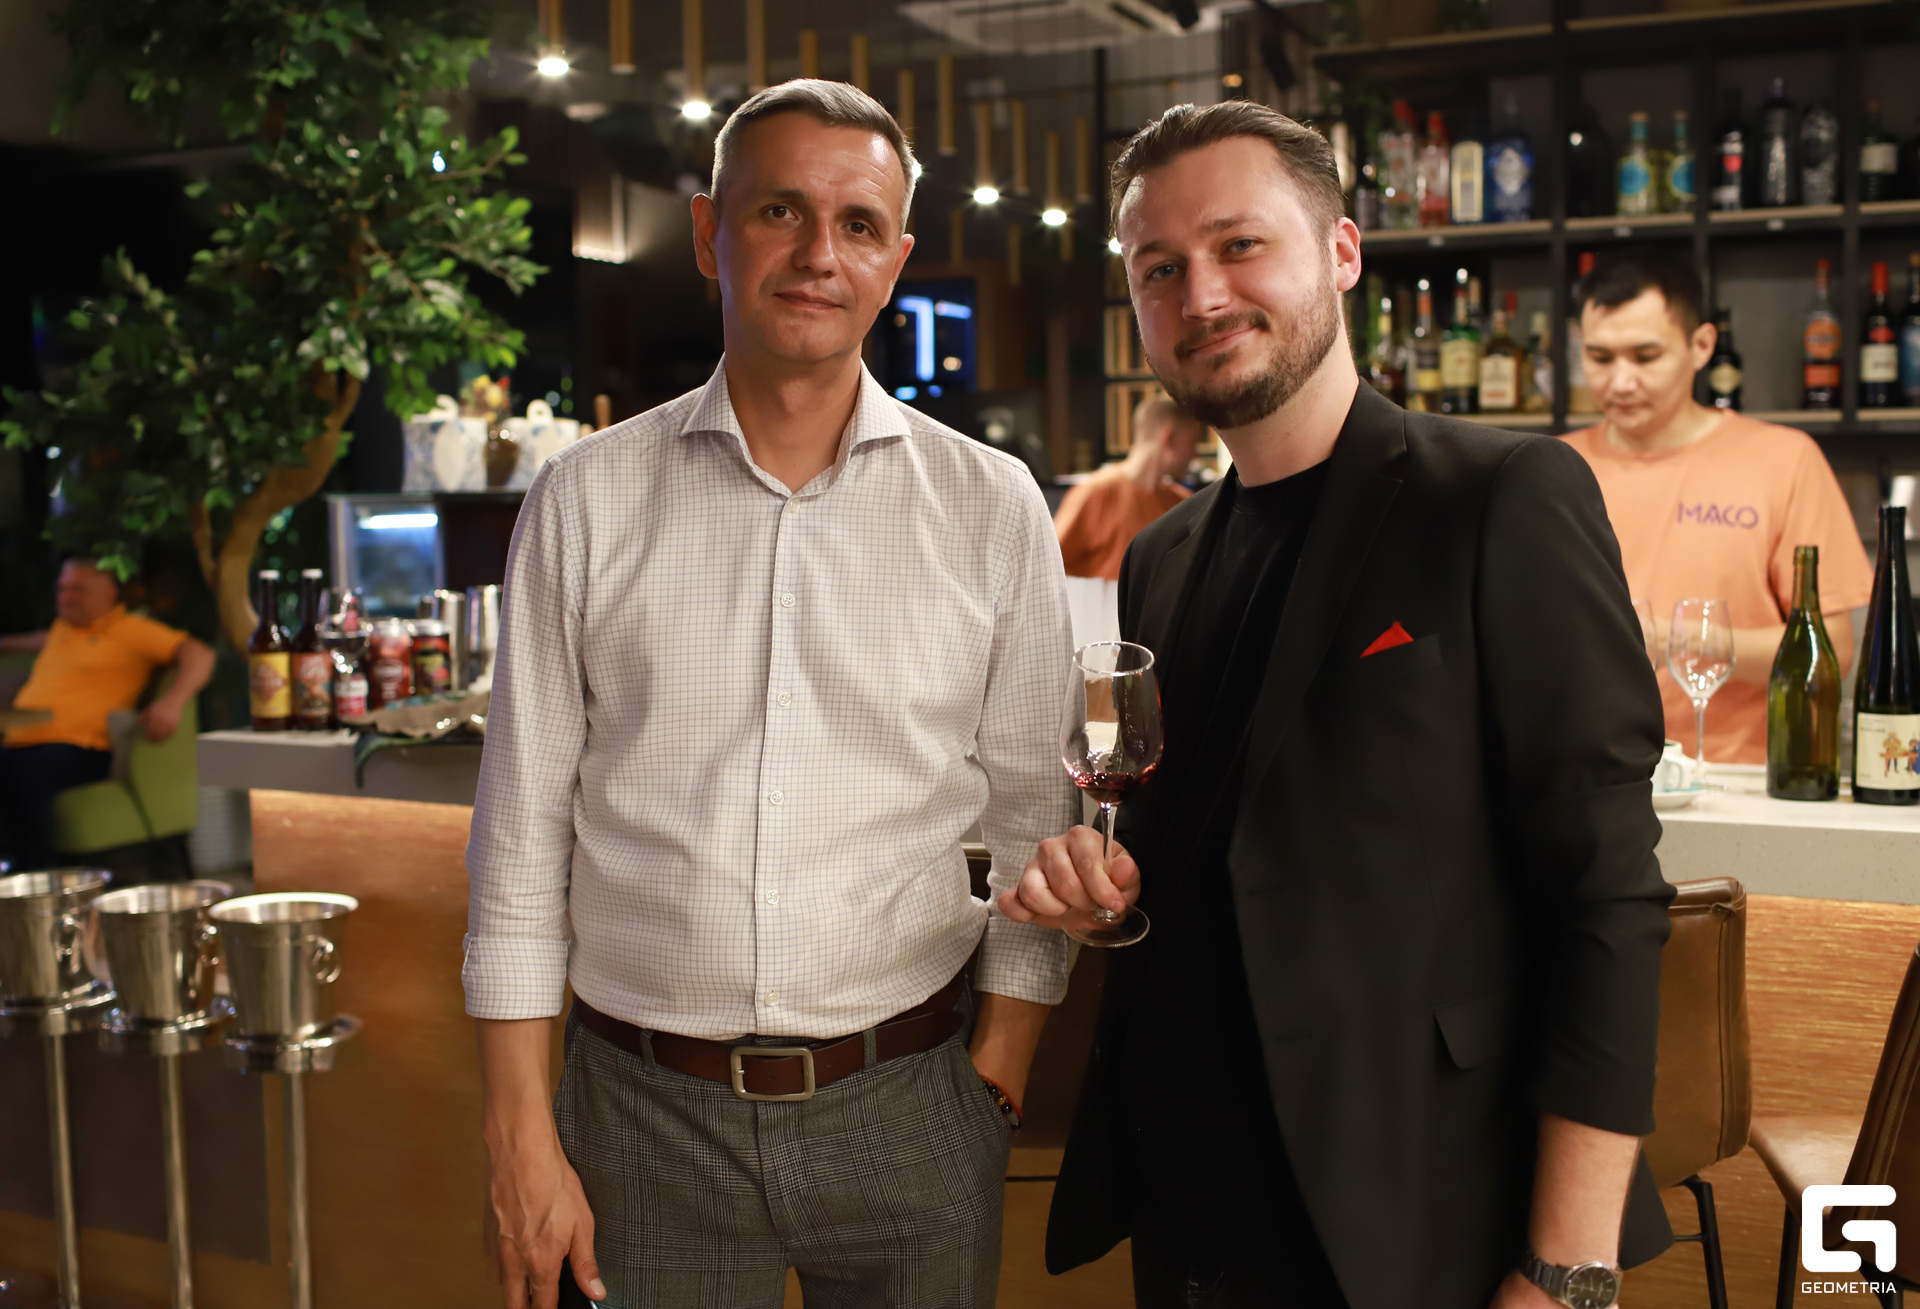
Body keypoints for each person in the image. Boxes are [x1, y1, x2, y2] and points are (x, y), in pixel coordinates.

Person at [1001, 101, 1675, 1309]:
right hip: (1188, 1211)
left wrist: (1567, 1269)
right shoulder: (1164, 556)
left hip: (1407, 1217)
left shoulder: (1502, 497)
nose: (1203, 294)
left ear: (1343, 251)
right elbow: (1200, 847)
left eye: (1239, 245)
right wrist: (1101, 885)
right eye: (1161, 268)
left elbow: (1606, 898)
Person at [464, 80, 1078, 1309]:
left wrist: (1002, 1058)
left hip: (912, 1097)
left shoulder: (992, 503)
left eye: (859, 224)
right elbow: (520, 839)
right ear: (710, 232)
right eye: (780, 211)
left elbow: (1031, 813)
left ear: (895, 260)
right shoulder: (584, 500)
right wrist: (520, 1130)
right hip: (639, 1118)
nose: (818, 254)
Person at [1562, 249, 1872, 766]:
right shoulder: (1554, 467)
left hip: (1739, 778)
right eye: (1599, 358)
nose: (1620, 382)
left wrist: (1674, 639)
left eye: (1645, 357)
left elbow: (1833, 652)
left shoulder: (1784, 459)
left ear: (1702, 346)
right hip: (1586, 773)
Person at [0, 558, 214, 870]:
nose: (67, 597)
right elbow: (31, 641)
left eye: (78, 590)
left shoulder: (131, 629)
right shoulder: (61, 631)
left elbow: (200, 653)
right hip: (19, 742)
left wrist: (173, 701)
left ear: (110, 593)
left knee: (21, 772)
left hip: (81, 748)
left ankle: (34, 872)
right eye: (62, 589)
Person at [1054, 394, 1202, 580]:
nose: (1195, 454)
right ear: (1169, 437)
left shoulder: (1182, 503)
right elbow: (1046, 565)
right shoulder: (1096, 493)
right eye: (1192, 443)